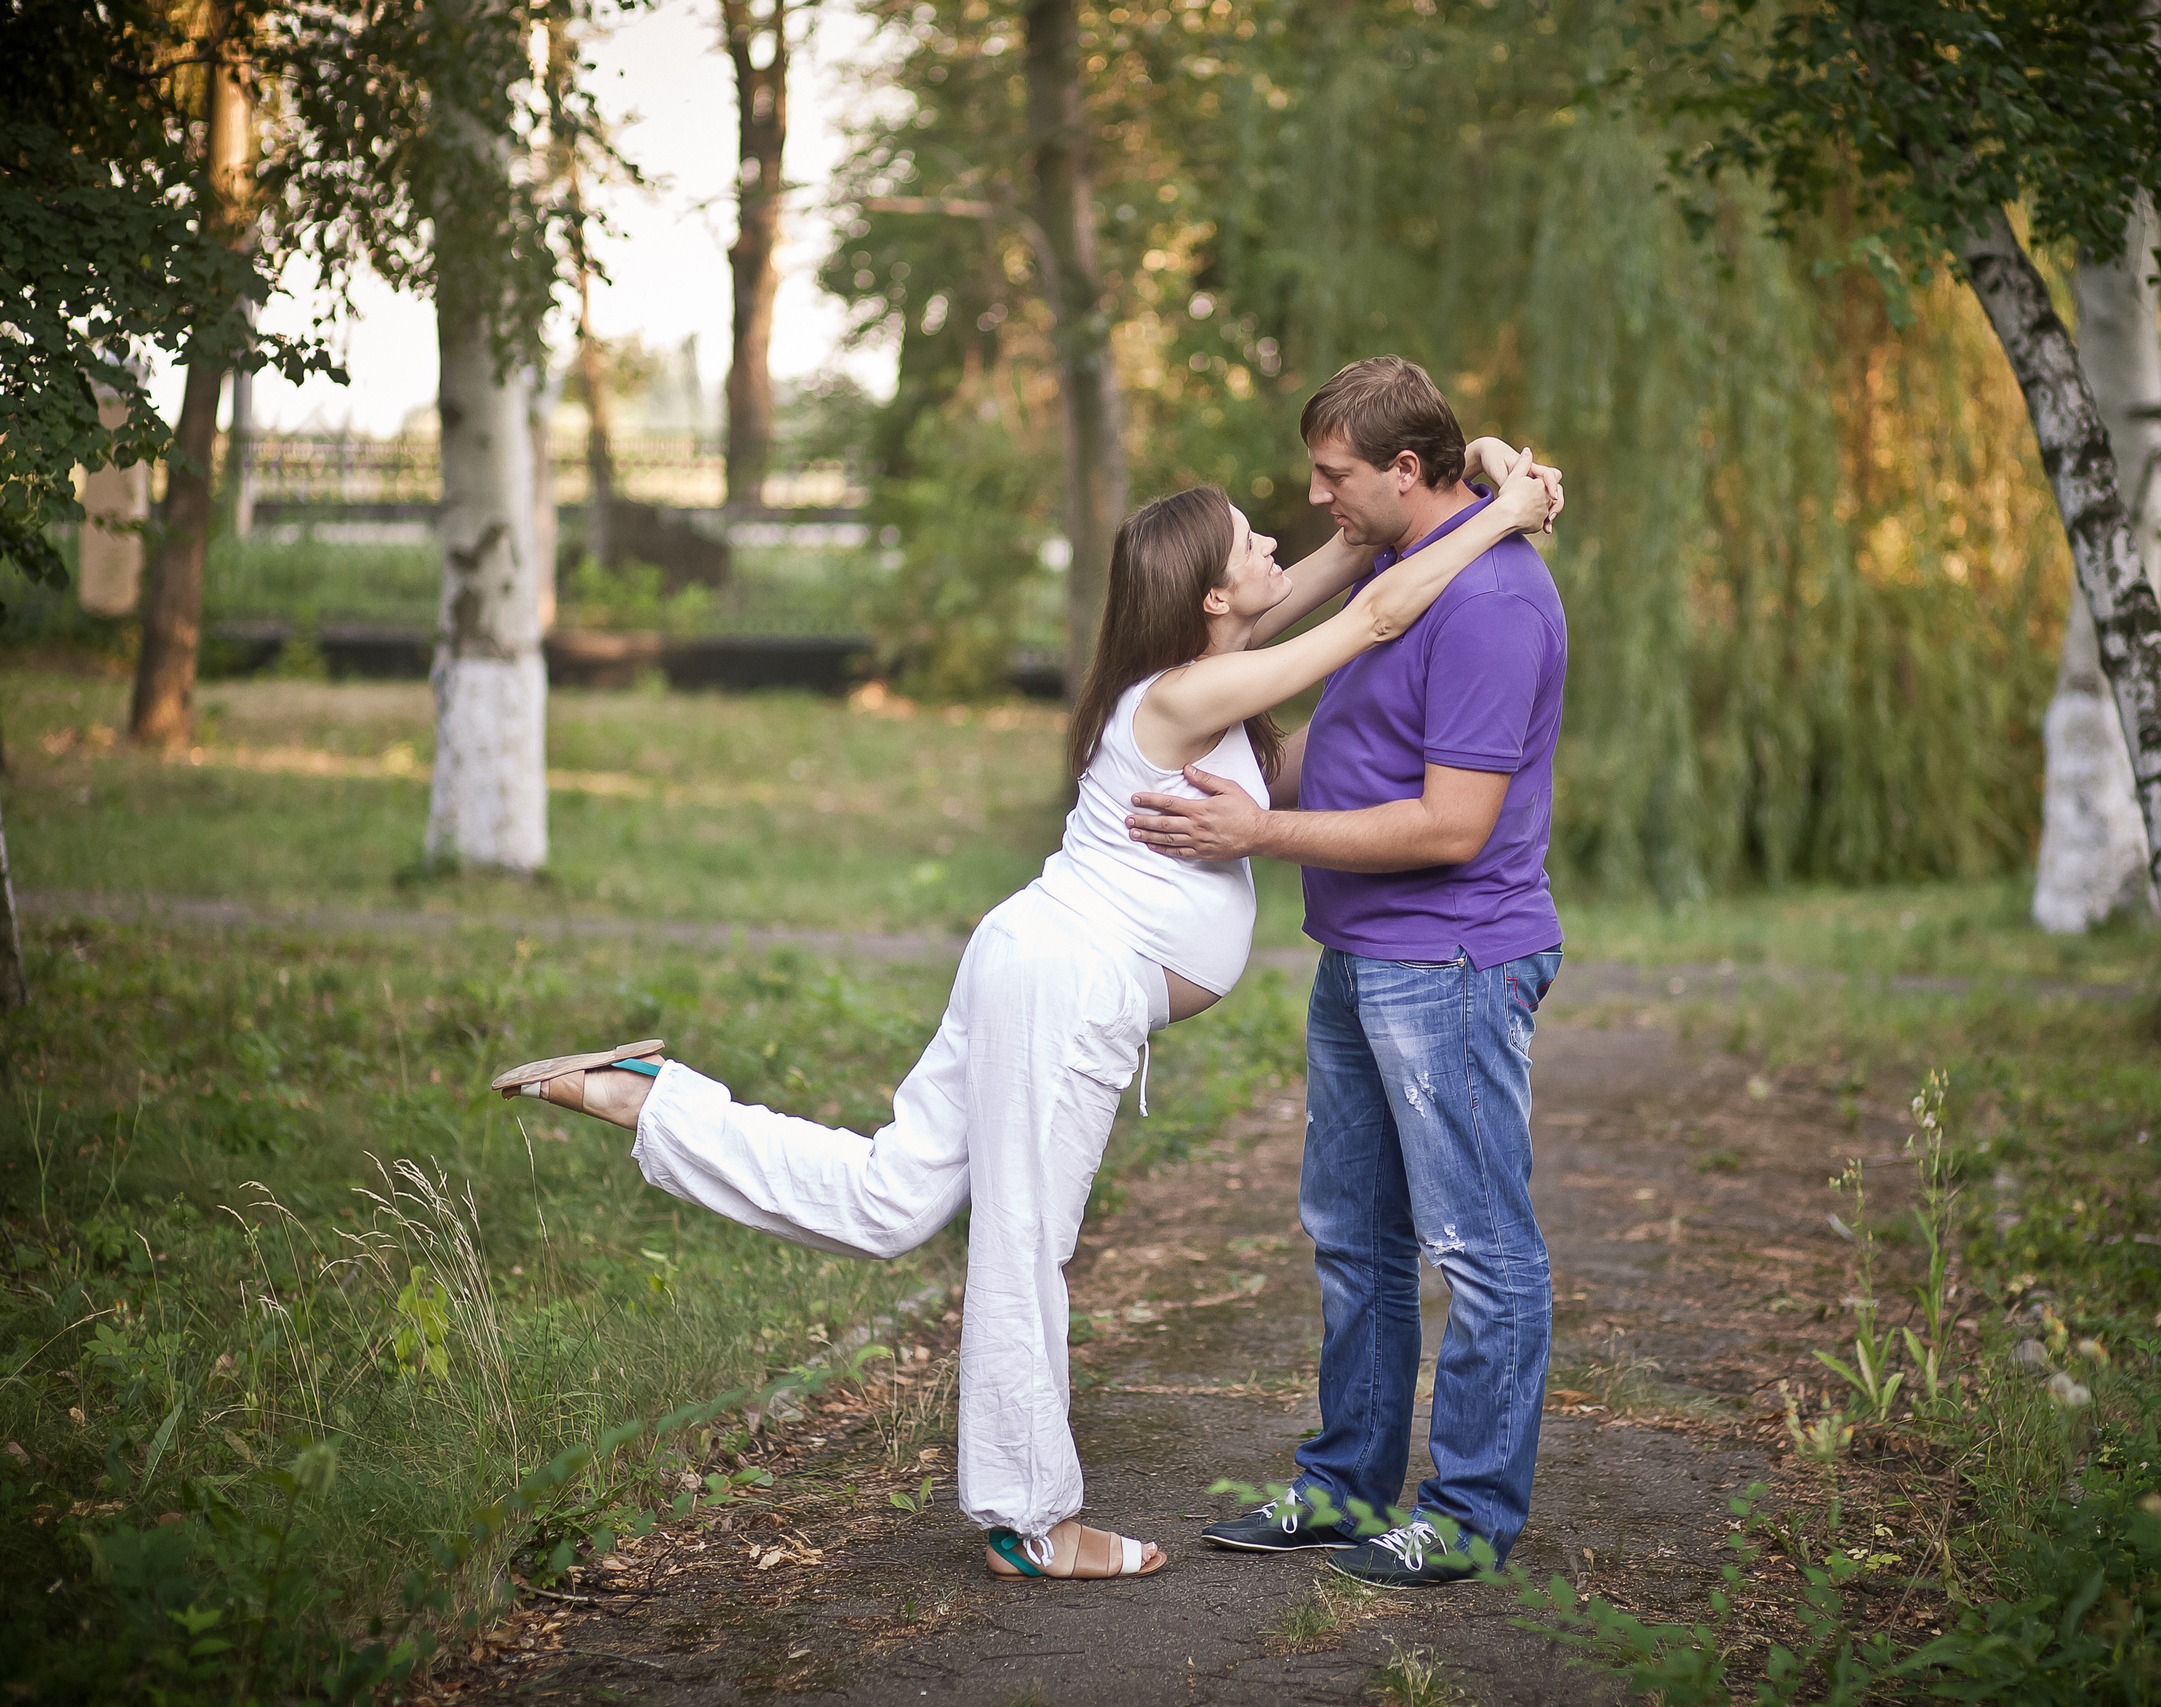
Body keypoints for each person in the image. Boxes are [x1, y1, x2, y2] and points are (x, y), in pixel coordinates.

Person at [486, 446, 1557, 1583]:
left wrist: (1485, 469)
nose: (1282, 545)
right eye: (1251, 542)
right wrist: (1505, 518)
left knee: (890, 1195)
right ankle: (1027, 1518)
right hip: (1061, 981)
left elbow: (1362, 543)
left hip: (1034, 957)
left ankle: (653, 1099)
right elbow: (1377, 608)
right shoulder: (1188, 694)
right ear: (1208, 594)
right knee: (1021, 1249)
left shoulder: (1207, 667)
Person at [1123, 357, 1568, 1589]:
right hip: (1363, 955)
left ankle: (1470, 1515)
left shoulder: (1489, 607)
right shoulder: (1400, 567)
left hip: (1453, 962)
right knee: (1355, 1238)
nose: (1316, 495)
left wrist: (1253, 833)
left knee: (1478, 1249)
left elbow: (1448, 828)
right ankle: (1342, 1493)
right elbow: (1353, 735)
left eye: (1333, 475)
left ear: (1404, 471)